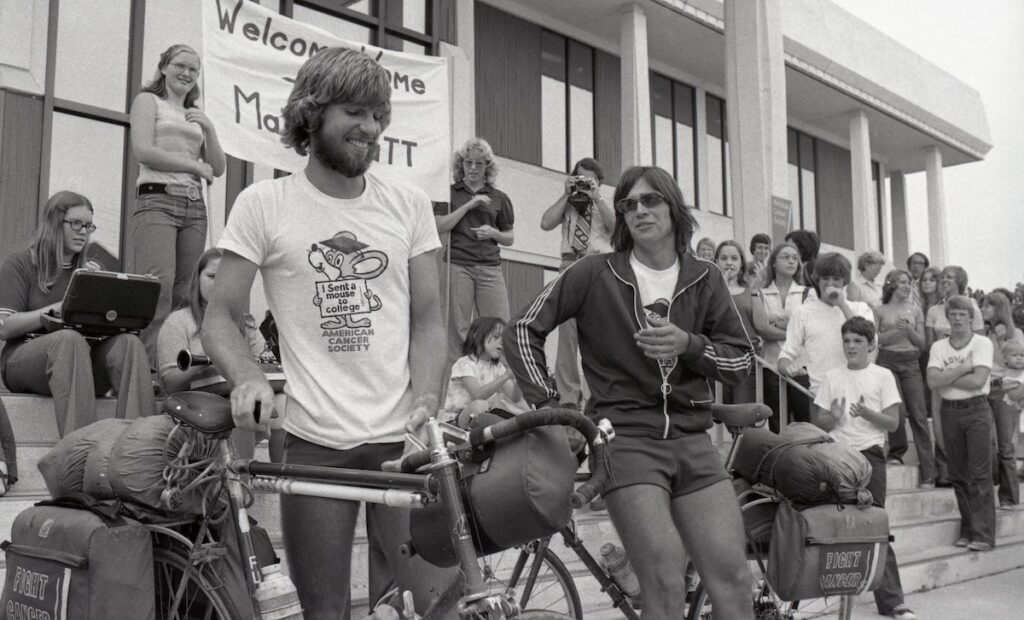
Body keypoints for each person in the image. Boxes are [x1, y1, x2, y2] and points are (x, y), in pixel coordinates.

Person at [201, 48, 455, 618]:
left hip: (404, 443)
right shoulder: (264, 204)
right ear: (311, 115)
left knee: (434, 605)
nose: (371, 128)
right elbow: (219, 317)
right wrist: (247, 377)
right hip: (315, 444)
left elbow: (428, 320)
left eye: (378, 115)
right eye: (355, 112)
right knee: (324, 611)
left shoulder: (410, 205)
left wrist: (428, 399)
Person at [504, 165, 755, 619]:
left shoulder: (706, 276)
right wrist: (553, 410)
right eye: (628, 204)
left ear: (673, 207)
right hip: (625, 440)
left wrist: (689, 345)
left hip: (694, 442)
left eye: (650, 200)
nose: (639, 210)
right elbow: (522, 330)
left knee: (735, 579)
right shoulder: (593, 272)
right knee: (663, 580)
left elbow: (741, 361)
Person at [0, 191, 155, 437]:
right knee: (68, 340)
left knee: (129, 344)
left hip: (81, 363)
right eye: (76, 224)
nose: (83, 231)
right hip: (25, 361)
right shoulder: (20, 263)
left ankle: (140, 445)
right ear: (54, 222)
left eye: (88, 226)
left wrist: (101, 297)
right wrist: (57, 308)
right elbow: (5, 326)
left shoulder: (89, 271)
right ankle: (82, 450)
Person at [811, 316, 918, 620]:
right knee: (833, 524)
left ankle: (893, 602)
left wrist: (867, 413)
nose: (851, 346)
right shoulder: (832, 376)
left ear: (871, 345)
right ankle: (828, 596)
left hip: (869, 456)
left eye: (858, 341)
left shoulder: (882, 376)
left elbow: (893, 423)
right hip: (836, 456)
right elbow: (818, 421)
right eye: (846, 340)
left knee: (875, 525)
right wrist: (832, 417)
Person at [129, 44, 226, 367]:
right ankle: (146, 370)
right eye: (180, 66)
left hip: (193, 206)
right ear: (164, 67)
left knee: (186, 292)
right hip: (157, 199)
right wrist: (193, 166)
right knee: (158, 285)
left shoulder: (195, 115)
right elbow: (144, 151)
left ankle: (173, 369)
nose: (186, 73)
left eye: (193, 69)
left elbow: (217, 167)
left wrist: (209, 128)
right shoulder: (148, 101)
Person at [156, 248, 279, 461]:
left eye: (224, 277)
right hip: (195, 406)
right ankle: (239, 475)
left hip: (233, 394)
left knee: (283, 402)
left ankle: (283, 475)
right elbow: (170, 383)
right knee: (240, 402)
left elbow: (267, 363)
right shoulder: (178, 321)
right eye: (212, 276)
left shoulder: (245, 322)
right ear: (197, 280)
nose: (219, 283)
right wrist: (212, 352)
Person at [539, 157, 614, 409]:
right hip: (570, 265)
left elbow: (618, 230)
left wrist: (597, 198)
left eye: (590, 181)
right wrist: (566, 194)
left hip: (597, 266)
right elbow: (545, 223)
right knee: (567, 336)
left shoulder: (604, 203)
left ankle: (600, 396)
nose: (584, 185)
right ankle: (569, 398)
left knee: (598, 335)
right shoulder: (569, 202)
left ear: (599, 183)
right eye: (580, 178)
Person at [434, 137, 514, 367]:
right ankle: (457, 386)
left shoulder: (500, 198)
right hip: (457, 265)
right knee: (456, 330)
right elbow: (439, 225)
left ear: (487, 167)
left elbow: (509, 237)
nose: (473, 168)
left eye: (479, 163)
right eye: (468, 162)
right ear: (461, 164)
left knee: (499, 327)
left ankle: (502, 384)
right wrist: (469, 205)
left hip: (490, 268)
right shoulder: (449, 193)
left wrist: (494, 233)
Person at [927, 296, 996, 552]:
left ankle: (984, 534)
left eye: (962, 314)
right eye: (953, 314)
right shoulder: (939, 347)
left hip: (976, 410)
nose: (957, 318)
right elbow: (932, 382)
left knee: (979, 473)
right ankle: (968, 529)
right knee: (957, 474)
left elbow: (978, 381)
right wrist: (961, 369)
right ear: (947, 317)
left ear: (970, 317)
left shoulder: (982, 343)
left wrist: (945, 377)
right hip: (950, 411)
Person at [778, 253, 875, 398]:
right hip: (820, 395)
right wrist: (788, 367)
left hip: (859, 392)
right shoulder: (802, 312)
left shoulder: (861, 309)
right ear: (817, 280)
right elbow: (786, 354)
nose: (830, 283)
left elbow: (870, 342)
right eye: (825, 278)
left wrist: (842, 305)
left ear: (844, 281)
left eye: (836, 278)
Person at [875, 270, 936, 485]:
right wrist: (897, 332)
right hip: (887, 361)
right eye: (902, 282)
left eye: (909, 282)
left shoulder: (916, 310)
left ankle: (929, 470)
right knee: (897, 410)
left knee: (919, 414)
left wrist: (908, 329)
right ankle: (896, 453)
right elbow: (876, 339)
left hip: (911, 362)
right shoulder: (880, 309)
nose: (907, 286)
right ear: (891, 284)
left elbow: (921, 343)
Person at [753, 241, 812, 431]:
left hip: (800, 365)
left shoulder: (807, 293)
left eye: (795, 258)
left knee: (804, 420)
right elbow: (762, 328)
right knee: (777, 421)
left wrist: (776, 323)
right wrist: (793, 328)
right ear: (773, 263)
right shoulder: (762, 294)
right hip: (771, 364)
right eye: (785, 257)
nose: (791, 261)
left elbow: (807, 329)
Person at [442, 316, 527, 428]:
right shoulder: (464, 363)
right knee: (480, 405)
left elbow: (514, 397)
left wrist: (518, 380)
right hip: (457, 420)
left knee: (519, 411)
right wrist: (505, 376)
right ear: (477, 336)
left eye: (503, 339)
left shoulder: (498, 367)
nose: (501, 342)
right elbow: (478, 394)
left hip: (483, 416)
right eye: (496, 336)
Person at [981, 291, 1023, 508]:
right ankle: (993, 483)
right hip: (984, 389)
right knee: (986, 442)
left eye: (987, 306)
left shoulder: (1016, 334)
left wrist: (1001, 340)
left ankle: (1009, 496)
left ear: (998, 309)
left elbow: (1018, 363)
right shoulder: (984, 333)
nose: (983, 309)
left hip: (1005, 389)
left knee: (1005, 445)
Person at [715, 240, 757, 404]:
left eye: (734, 258)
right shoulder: (708, 289)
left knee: (743, 409)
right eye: (724, 258)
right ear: (716, 261)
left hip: (745, 357)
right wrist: (722, 290)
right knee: (718, 410)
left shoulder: (750, 289)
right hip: (718, 356)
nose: (729, 263)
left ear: (741, 263)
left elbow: (760, 324)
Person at [925, 266, 984, 345]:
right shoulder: (933, 310)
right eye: (942, 277)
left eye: (949, 277)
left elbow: (980, 341)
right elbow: (929, 344)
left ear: (959, 281)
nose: (944, 280)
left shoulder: (972, 307)